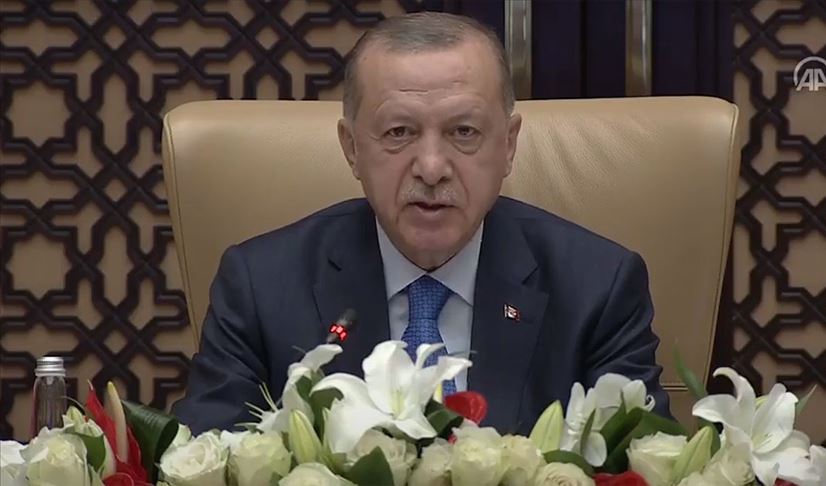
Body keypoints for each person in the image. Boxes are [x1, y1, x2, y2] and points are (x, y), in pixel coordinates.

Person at [173, 12, 670, 435]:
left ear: (509, 144)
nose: (431, 168)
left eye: (464, 131)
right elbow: (205, 461)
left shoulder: (598, 289)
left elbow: (643, 465)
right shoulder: (260, 286)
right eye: (399, 132)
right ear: (351, 148)